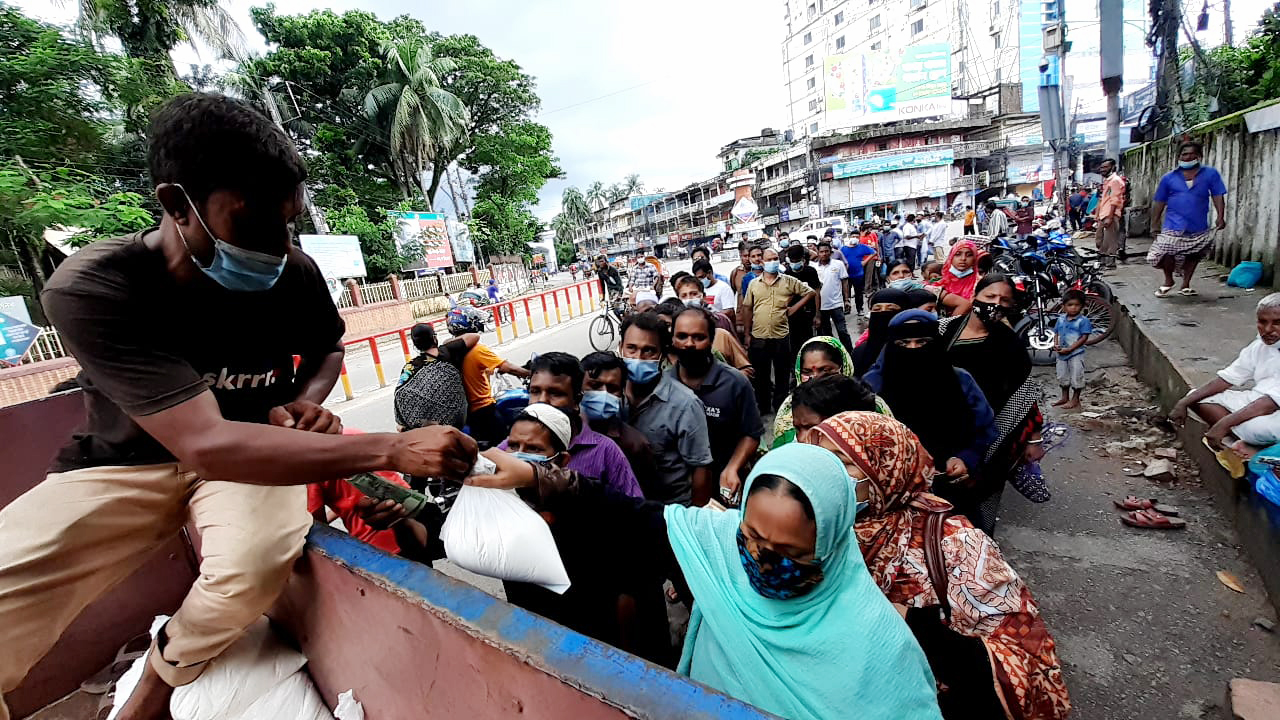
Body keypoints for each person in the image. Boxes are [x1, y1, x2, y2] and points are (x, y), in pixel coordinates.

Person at [0, 93, 479, 720]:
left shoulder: (296, 274)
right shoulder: (96, 286)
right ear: (177, 205)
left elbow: (328, 350)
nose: (276, 246)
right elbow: (203, 442)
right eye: (252, 223)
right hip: (126, 463)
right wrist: (391, 447)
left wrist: (303, 404)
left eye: (287, 223)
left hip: (252, 461)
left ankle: (158, 684)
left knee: (254, 563)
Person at [467, 443, 945, 720]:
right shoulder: (716, 546)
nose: (760, 559)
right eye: (752, 537)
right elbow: (632, 517)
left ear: (833, 545)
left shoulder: (880, 648)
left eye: (790, 553)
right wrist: (534, 475)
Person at [806, 413, 1071, 720]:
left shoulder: (955, 544)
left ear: (886, 466)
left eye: (845, 461)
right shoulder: (815, 531)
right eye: (822, 459)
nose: (830, 473)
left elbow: (1024, 658)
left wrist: (916, 625)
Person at [940, 274, 1046, 533]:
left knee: (980, 494)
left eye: (1004, 300)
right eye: (990, 297)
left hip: (990, 430)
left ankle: (980, 553)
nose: (996, 304)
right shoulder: (944, 330)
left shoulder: (1009, 344)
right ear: (975, 296)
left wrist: (1033, 437)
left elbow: (1023, 392)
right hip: (942, 426)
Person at [864, 311, 996, 487]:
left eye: (921, 342)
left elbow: (985, 427)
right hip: (891, 486)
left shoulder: (959, 379)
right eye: (903, 343)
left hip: (949, 481)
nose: (912, 349)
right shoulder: (873, 384)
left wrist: (966, 459)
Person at [499, 352, 642, 498]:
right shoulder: (509, 446)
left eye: (555, 393)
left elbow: (637, 510)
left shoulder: (606, 451)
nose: (542, 400)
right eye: (535, 391)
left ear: (576, 400)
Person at [1172, 293, 1280, 468]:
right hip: (1258, 400)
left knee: (1257, 429)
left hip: (1272, 409)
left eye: (1277, 323)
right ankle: (1243, 442)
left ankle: (1248, 444)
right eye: (1262, 322)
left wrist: (1223, 424)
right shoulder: (1260, 345)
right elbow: (1227, 378)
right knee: (1196, 397)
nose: (1268, 329)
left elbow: (1269, 403)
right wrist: (1183, 403)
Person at [669, 306, 763, 503]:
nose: (689, 344)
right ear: (672, 339)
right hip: (676, 490)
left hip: (723, 487)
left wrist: (733, 468)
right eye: (682, 336)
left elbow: (752, 433)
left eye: (698, 337)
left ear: (711, 340)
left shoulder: (735, 383)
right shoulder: (663, 384)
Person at [619, 312, 714, 506]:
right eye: (631, 349)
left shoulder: (685, 404)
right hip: (623, 504)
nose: (638, 358)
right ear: (620, 348)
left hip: (669, 508)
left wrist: (693, 521)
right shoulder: (609, 394)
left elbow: (701, 468)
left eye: (649, 351)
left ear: (662, 354)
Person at [771, 336, 890, 448]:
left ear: (843, 367)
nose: (816, 377)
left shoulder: (869, 405)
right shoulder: (789, 409)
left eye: (825, 370)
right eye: (807, 372)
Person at [741, 248, 817, 414]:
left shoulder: (789, 281)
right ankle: (763, 406)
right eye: (769, 259)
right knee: (761, 376)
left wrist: (794, 308)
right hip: (759, 336)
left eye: (775, 258)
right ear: (762, 262)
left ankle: (780, 407)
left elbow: (810, 292)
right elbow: (747, 308)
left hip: (781, 336)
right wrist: (747, 334)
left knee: (782, 375)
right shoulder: (754, 284)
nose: (772, 262)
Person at [1148, 140, 1228, 297]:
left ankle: (1185, 284)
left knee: (1194, 254)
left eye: (1192, 154)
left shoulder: (1210, 174)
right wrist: (1154, 223)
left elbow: (1218, 195)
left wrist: (1220, 216)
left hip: (1198, 223)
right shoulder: (1168, 178)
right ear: (1179, 157)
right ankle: (1168, 280)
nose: (1188, 157)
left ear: (1199, 155)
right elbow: (1159, 202)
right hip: (1173, 224)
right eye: (1185, 154)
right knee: (1165, 251)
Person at [580, 351, 662, 498]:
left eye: (612, 388)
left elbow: (646, 500)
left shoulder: (634, 445)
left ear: (622, 393)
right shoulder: (562, 433)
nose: (603, 394)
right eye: (595, 386)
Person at [395, 323, 477, 431]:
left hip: (426, 432)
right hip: (456, 425)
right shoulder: (448, 352)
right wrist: (447, 343)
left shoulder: (410, 367)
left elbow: (400, 394)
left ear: (415, 344)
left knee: (400, 427)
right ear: (434, 338)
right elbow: (474, 337)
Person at [458, 339, 531, 446]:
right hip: (483, 408)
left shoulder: (453, 351)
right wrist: (530, 373)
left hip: (467, 410)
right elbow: (509, 368)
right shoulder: (477, 350)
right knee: (506, 442)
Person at [851, 288, 911, 376]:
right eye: (877, 310)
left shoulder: (914, 347)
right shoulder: (859, 353)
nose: (883, 314)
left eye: (891, 310)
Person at [1053, 289, 1092, 410]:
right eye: (1070, 305)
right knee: (1062, 375)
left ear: (1082, 306)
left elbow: (1084, 337)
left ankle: (1075, 399)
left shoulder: (1083, 321)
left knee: (1077, 375)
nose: (1073, 308)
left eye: (1077, 305)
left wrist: (1070, 349)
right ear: (1063, 306)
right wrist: (1056, 344)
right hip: (1061, 353)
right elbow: (1056, 333)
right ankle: (1065, 397)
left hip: (1076, 353)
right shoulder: (1060, 319)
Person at [813, 240, 855, 351]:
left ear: (830, 252)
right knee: (826, 334)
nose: (824, 254)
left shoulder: (838, 264)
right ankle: (833, 354)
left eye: (827, 251)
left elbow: (845, 282)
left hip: (836, 304)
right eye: (821, 251)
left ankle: (850, 353)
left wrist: (847, 300)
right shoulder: (813, 268)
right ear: (817, 252)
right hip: (821, 307)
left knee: (842, 331)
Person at [784, 245, 823, 354]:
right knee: (794, 344)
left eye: (797, 260)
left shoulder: (810, 271)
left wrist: (817, 315)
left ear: (803, 259)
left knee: (809, 343)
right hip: (793, 315)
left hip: (809, 313)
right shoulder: (787, 274)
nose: (795, 263)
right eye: (792, 261)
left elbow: (817, 293)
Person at [936, 239, 987, 317]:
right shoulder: (940, 283)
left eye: (969, 255)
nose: (963, 259)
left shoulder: (981, 284)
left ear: (974, 259)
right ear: (951, 257)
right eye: (958, 254)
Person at [1095, 159, 1126, 269]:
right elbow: (1102, 200)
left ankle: (1110, 263)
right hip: (1104, 215)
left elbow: (1115, 200)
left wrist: (1110, 216)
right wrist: (1098, 215)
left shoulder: (1115, 181)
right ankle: (1103, 261)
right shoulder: (1107, 181)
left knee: (1110, 241)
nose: (1102, 170)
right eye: (1102, 167)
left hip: (1110, 215)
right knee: (1100, 240)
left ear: (1112, 167)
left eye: (1105, 167)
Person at [838, 237, 877, 319]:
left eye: (856, 236)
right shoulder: (843, 248)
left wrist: (865, 262)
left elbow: (873, 252)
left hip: (858, 274)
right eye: (853, 236)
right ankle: (847, 307)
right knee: (846, 292)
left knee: (858, 293)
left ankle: (860, 309)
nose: (854, 238)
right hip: (846, 275)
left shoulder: (862, 247)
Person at [691, 258, 737, 323]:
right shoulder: (699, 289)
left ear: (709, 273)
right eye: (698, 278)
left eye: (702, 277)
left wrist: (710, 316)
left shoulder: (723, 288)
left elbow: (729, 311)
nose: (700, 280)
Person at [729, 243, 753, 307]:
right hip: (742, 313)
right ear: (740, 256)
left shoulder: (760, 273)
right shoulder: (735, 273)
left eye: (750, 256)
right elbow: (731, 295)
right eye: (745, 256)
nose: (747, 259)